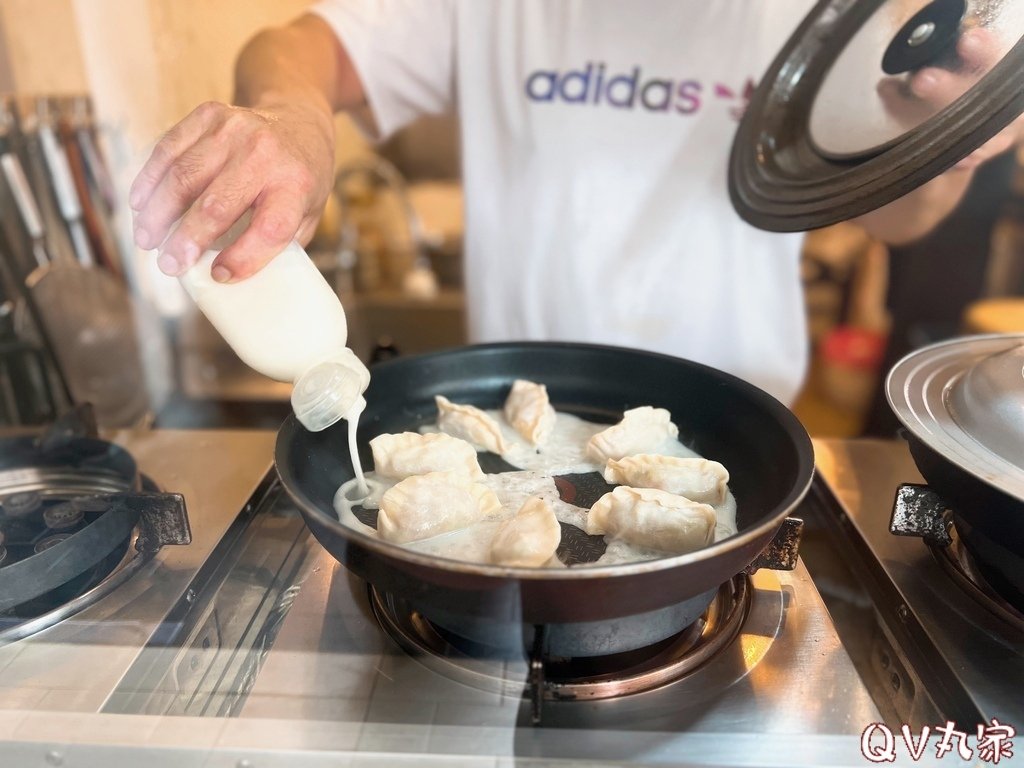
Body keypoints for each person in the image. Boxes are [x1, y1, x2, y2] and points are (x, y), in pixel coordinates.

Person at [129, 1, 1022, 404]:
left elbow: (897, 218)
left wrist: (945, 140)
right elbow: (296, 44)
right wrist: (293, 116)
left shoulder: (826, 23)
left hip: (739, 434)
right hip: (523, 427)